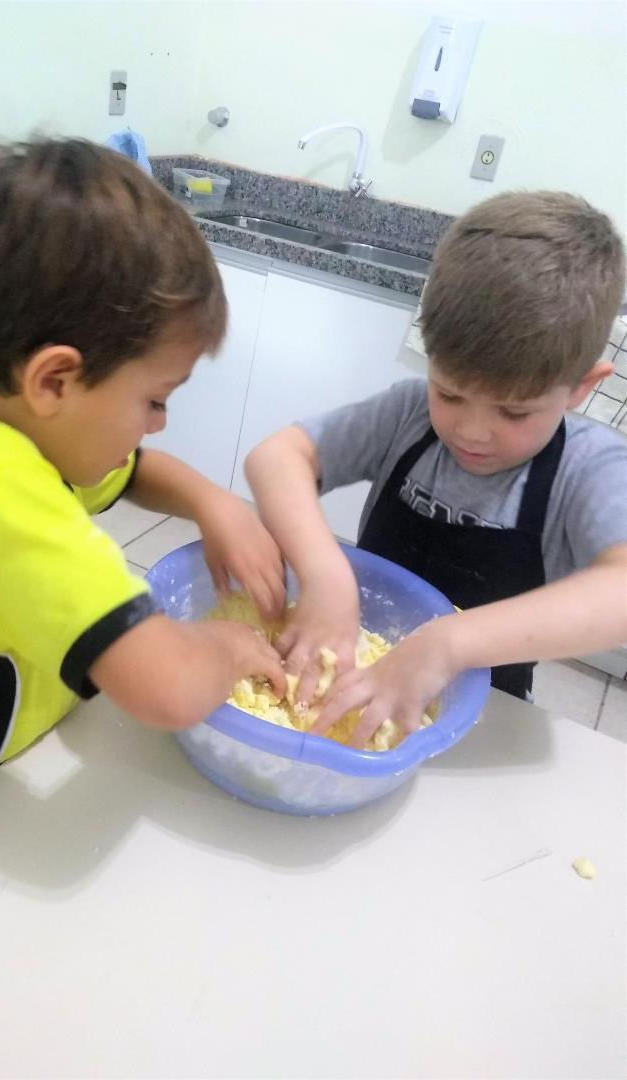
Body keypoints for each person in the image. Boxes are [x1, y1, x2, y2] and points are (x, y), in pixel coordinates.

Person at [0, 136, 286, 885]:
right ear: (55, 380)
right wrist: (234, 650)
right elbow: (168, 685)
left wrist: (214, 504)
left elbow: (134, 470)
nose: (157, 425)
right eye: (153, 400)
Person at [246, 190, 627, 747]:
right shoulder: (406, 413)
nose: (471, 431)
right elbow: (275, 457)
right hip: (360, 674)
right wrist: (326, 575)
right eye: (448, 393)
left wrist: (447, 643)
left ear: (582, 388)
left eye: (513, 411)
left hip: (481, 715)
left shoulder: (587, 467)